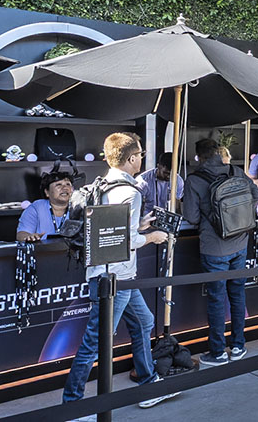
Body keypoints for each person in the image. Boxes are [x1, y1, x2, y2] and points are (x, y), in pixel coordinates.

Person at [62, 133, 177, 409]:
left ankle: (148, 385)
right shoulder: (130, 192)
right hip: (116, 277)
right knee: (95, 342)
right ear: (131, 158)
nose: (141, 159)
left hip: (110, 274)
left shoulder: (102, 185)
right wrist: (153, 236)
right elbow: (127, 243)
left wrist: (139, 225)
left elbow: (110, 232)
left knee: (144, 322)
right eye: (139, 155)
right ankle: (72, 405)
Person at [182, 138, 258, 366]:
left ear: (199, 157)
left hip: (214, 247)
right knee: (237, 295)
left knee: (216, 300)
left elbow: (191, 217)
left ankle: (217, 352)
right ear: (218, 152)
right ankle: (238, 346)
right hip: (240, 243)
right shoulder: (235, 170)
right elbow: (256, 195)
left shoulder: (194, 180)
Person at [16, 170, 74, 242]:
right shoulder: (36, 207)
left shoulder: (80, 207)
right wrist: (29, 237)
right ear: (47, 192)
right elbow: (21, 234)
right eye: (58, 185)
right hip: (42, 251)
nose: (65, 188)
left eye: (68, 184)